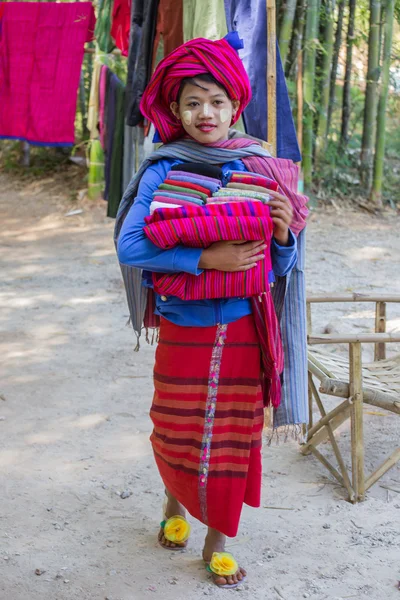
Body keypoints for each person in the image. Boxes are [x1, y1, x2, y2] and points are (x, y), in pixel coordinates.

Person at [116, 33, 307, 589]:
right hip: (185, 322)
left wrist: (282, 232)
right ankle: (175, 502)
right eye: (193, 101)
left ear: (235, 106)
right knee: (175, 425)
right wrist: (206, 255)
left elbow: (278, 266)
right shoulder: (162, 168)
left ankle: (217, 537)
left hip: (245, 325)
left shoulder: (263, 166)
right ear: (175, 109)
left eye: (217, 101)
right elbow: (131, 246)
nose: (206, 112)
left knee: (232, 435)